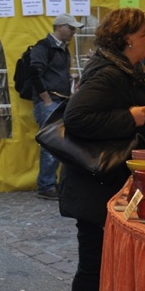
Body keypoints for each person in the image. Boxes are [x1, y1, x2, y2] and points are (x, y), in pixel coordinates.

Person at [58, 7, 145, 291]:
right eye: (144, 32)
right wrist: (128, 119)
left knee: (100, 267)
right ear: (127, 39)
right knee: (93, 268)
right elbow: (76, 117)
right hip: (96, 188)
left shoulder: (122, 71)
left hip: (105, 186)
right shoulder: (108, 74)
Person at [29, 14, 83, 201]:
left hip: (57, 100)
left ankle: (49, 183)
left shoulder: (60, 48)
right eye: (71, 28)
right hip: (51, 101)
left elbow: (46, 73)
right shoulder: (43, 47)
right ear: (60, 27)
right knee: (51, 144)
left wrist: (69, 78)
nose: (74, 32)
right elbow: (35, 73)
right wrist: (46, 100)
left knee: (56, 144)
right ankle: (46, 185)